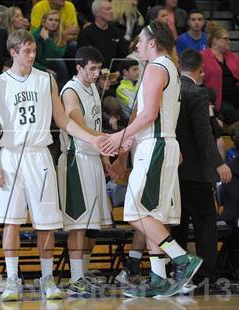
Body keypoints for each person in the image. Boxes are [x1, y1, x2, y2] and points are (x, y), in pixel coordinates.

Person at [0, 29, 107, 301]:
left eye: (34, 51)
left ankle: (47, 278)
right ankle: (12, 280)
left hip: (39, 155)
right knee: (11, 223)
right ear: (13, 52)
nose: (32, 56)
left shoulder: (46, 80)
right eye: (27, 52)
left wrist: (92, 138)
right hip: (11, 156)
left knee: (47, 224)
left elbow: (63, 121)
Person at [102, 21, 202, 298]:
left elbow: (148, 116)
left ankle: (182, 259)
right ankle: (159, 277)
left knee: (134, 211)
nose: (136, 45)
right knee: (152, 215)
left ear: (153, 43)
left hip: (156, 146)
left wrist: (120, 136)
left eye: (140, 41)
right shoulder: (170, 67)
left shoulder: (156, 68)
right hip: (162, 142)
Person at [171, 48, 232, 285]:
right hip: (197, 172)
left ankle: (178, 274)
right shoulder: (197, 93)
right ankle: (207, 275)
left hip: (175, 171)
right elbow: (204, 135)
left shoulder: (170, 90)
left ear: (179, 67)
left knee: (178, 225)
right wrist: (219, 163)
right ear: (200, 71)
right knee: (206, 224)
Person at [57, 46, 113, 295]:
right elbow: (79, 126)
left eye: (99, 68)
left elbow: (95, 125)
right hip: (75, 158)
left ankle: (84, 273)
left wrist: (104, 157)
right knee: (78, 223)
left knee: (92, 225)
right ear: (78, 67)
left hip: (92, 158)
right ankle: (75, 278)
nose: (97, 72)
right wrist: (113, 139)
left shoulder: (93, 88)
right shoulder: (70, 91)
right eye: (92, 68)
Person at [201, 22, 239, 125]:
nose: (229, 41)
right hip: (219, 99)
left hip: (235, 95)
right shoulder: (203, 56)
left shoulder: (231, 56)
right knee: (234, 114)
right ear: (215, 41)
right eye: (225, 39)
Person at [78, 0, 128, 69]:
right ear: (97, 13)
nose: (111, 11)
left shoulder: (116, 32)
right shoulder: (86, 33)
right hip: (93, 73)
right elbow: (84, 59)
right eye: (108, 9)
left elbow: (121, 56)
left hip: (114, 74)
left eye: (111, 8)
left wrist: (118, 72)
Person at [31, 10, 67, 88]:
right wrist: (45, 70)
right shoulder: (33, 36)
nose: (53, 22)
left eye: (56, 20)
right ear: (43, 21)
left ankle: (64, 92)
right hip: (38, 67)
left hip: (52, 65)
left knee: (59, 62)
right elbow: (31, 61)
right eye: (50, 19)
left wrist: (47, 40)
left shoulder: (61, 36)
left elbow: (58, 55)